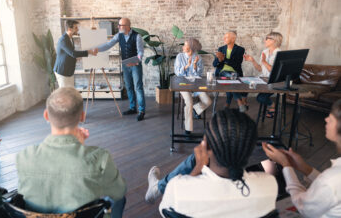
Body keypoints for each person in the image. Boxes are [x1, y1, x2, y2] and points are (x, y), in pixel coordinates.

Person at [145, 109, 278, 217]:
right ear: (250, 149)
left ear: (205, 146)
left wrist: (198, 167)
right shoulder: (269, 185)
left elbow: (165, 211)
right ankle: (156, 187)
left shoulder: (178, 188)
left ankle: (156, 188)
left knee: (192, 160)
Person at [16, 87, 127, 217]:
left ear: (46, 115)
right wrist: (81, 149)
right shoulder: (99, 159)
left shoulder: (24, 157)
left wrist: (77, 146)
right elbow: (119, 191)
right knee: (118, 199)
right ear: (82, 116)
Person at [262, 99, 341, 218]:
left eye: (333, 116)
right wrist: (305, 168)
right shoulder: (333, 179)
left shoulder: (332, 179)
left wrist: (286, 165)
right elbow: (332, 190)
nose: (326, 119)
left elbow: (303, 206)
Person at [96, 18, 146, 121]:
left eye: (120, 25)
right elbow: (108, 44)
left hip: (135, 65)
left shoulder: (137, 36)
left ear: (127, 26)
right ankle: (132, 108)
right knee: (129, 87)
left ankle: (141, 110)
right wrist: (98, 49)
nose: (118, 27)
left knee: (138, 87)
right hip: (125, 65)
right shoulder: (119, 35)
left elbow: (140, 52)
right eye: (119, 25)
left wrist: (137, 60)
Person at [174, 38, 212, 135]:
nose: (183, 47)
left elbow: (199, 74)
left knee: (207, 101)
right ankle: (188, 129)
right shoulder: (180, 56)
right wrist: (187, 66)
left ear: (190, 47)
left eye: (185, 45)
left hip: (196, 84)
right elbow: (177, 73)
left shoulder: (198, 57)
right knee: (189, 103)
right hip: (183, 84)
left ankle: (196, 110)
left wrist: (194, 65)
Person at [244, 32, 283, 118]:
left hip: (274, 81)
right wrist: (252, 60)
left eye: (267, 38)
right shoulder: (264, 52)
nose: (265, 40)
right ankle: (243, 104)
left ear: (274, 40)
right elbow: (260, 69)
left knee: (260, 98)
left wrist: (264, 61)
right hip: (264, 79)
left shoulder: (279, 53)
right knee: (245, 84)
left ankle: (273, 105)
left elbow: (273, 70)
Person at [53, 20, 98, 88]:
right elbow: (73, 53)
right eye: (76, 28)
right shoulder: (63, 40)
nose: (77, 29)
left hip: (68, 71)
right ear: (69, 29)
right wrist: (88, 52)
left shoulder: (70, 38)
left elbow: (69, 54)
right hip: (62, 71)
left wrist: (76, 58)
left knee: (70, 92)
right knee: (65, 93)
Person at [213, 31, 248, 112]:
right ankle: (239, 102)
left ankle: (228, 103)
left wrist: (224, 59)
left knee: (231, 79)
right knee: (231, 77)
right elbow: (214, 65)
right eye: (224, 37)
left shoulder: (240, 49)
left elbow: (236, 64)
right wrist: (219, 59)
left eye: (226, 37)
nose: (223, 39)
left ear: (233, 39)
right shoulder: (221, 49)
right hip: (222, 73)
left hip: (235, 73)